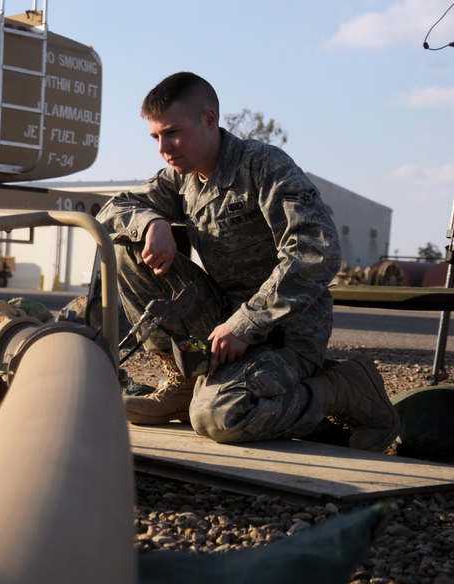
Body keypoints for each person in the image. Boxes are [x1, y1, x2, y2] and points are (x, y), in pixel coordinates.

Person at [96, 71, 399, 452]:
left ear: (209, 119)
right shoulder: (181, 179)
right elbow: (114, 208)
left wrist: (246, 323)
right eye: (155, 137)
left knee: (217, 416)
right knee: (128, 249)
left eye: (172, 132)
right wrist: (151, 222)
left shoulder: (262, 165)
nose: (163, 147)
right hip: (225, 318)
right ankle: (185, 381)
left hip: (285, 332)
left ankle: (341, 390)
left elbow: (317, 252)